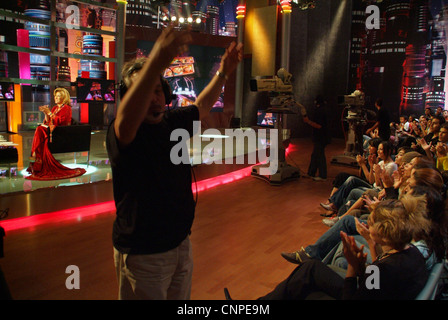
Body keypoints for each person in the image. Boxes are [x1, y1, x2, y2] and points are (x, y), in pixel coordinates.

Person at [107, 25, 243, 300]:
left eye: (158, 90)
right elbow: (127, 119)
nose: (153, 98)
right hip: (144, 255)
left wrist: (224, 72)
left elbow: (202, 106)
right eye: (145, 91)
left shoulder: (172, 122)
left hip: (181, 245)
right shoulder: (123, 132)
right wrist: (158, 59)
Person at [252, 196, 431, 300]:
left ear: (385, 233)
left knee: (307, 289)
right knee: (310, 269)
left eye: (372, 223)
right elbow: (376, 285)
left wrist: (353, 267)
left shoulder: (382, 270)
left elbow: (360, 292)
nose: (367, 224)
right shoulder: (411, 253)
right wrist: (368, 252)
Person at [26, 87, 86, 180]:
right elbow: (48, 121)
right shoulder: (54, 108)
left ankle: (35, 155)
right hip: (51, 130)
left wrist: (50, 113)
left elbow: (62, 121)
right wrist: (46, 113)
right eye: (55, 96)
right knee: (40, 128)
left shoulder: (66, 108)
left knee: (40, 130)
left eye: (58, 96)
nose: (56, 98)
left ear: (63, 98)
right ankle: (36, 156)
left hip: (60, 132)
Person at [305, 95, 329, 181]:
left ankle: (323, 175)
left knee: (320, 156)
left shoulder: (320, 111)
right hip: (323, 137)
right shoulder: (325, 109)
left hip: (320, 137)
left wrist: (308, 121)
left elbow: (319, 126)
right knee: (315, 155)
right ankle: (311, 173)